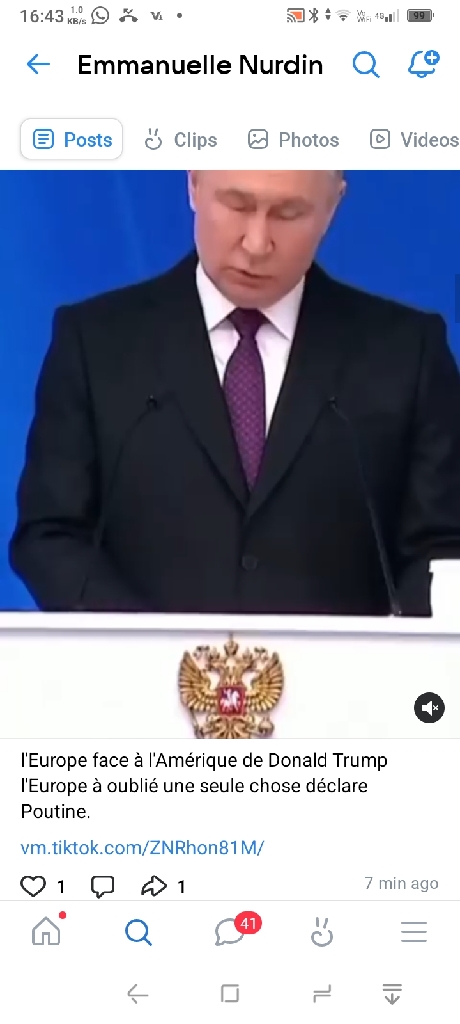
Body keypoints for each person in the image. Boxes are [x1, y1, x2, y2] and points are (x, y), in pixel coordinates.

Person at [9, 170, 460, 615]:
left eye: (288, 213)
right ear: (194, 184)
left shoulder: (406, 353)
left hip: (353, 665)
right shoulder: (96, 342)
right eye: (238, 205)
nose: (257, 244)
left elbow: (441, 546)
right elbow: (52, 535)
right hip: (137, 662)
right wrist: (152, 644)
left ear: (332, 207)